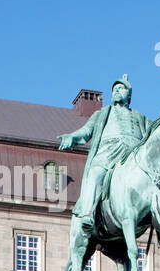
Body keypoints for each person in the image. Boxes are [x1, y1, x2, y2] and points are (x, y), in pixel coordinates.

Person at [59, 76, 148, 233]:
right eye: (114, 89)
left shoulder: (140, 117)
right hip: (109, 152)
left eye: (121, 89)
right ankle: (87, 213)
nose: (116, 91)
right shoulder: (102, 114)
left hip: (133, 156)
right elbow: (86, 131)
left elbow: (156, 136)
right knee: (95, 174)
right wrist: (71, 137)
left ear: (129, 95)